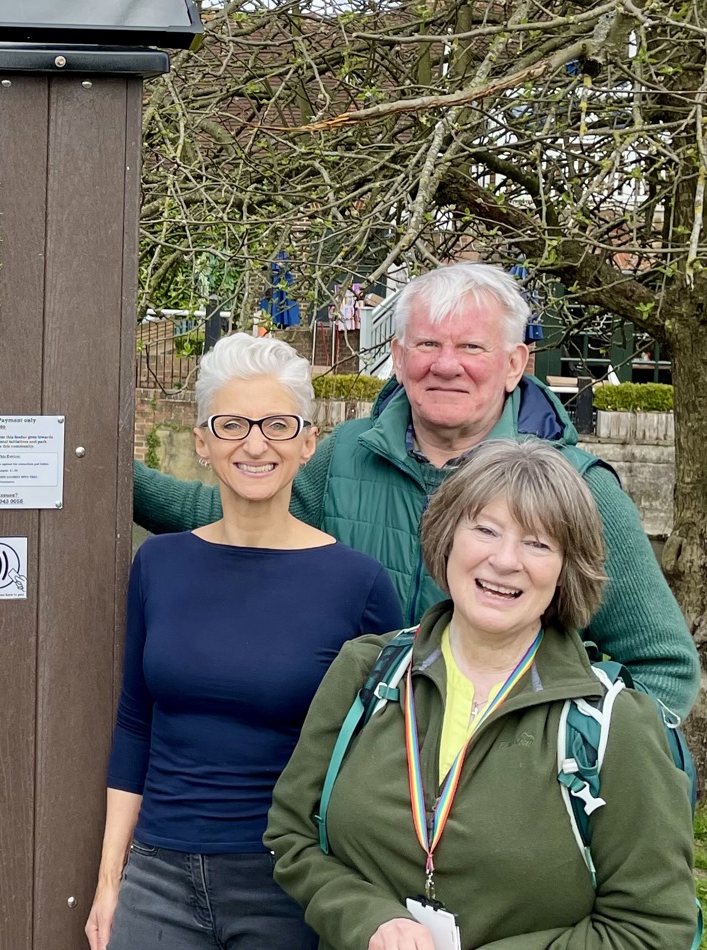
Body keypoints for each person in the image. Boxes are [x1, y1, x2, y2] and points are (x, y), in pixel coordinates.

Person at [133, 262, 698, 717]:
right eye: (427, 344)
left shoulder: (577, 488)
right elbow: (229, 517)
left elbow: (663, 667)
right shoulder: (346, 455)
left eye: (472, 348)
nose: (445, 365)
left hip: (494, 806)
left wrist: (588, 780)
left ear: (514, 364)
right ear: (399, 359)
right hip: (362, 792)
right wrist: (105, 471)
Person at [266, 439, 696, 950]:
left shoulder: (612, 722)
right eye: (486, 530)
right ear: (448, 537)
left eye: (538, 543)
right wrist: (367, 920)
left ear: (566, 569)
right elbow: (290, 838)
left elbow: (654, 928)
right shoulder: (366, 672)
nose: (505, 560)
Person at [88, 334, 402, 950]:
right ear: (203, 443)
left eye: (277, 424)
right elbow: (135, 724)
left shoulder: (357, 583)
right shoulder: (159, 563)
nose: (255, 443)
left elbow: (388, 752)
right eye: (232, 424)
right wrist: (110, 883)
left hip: (289, 881)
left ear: (308, 442)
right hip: (158, 875)